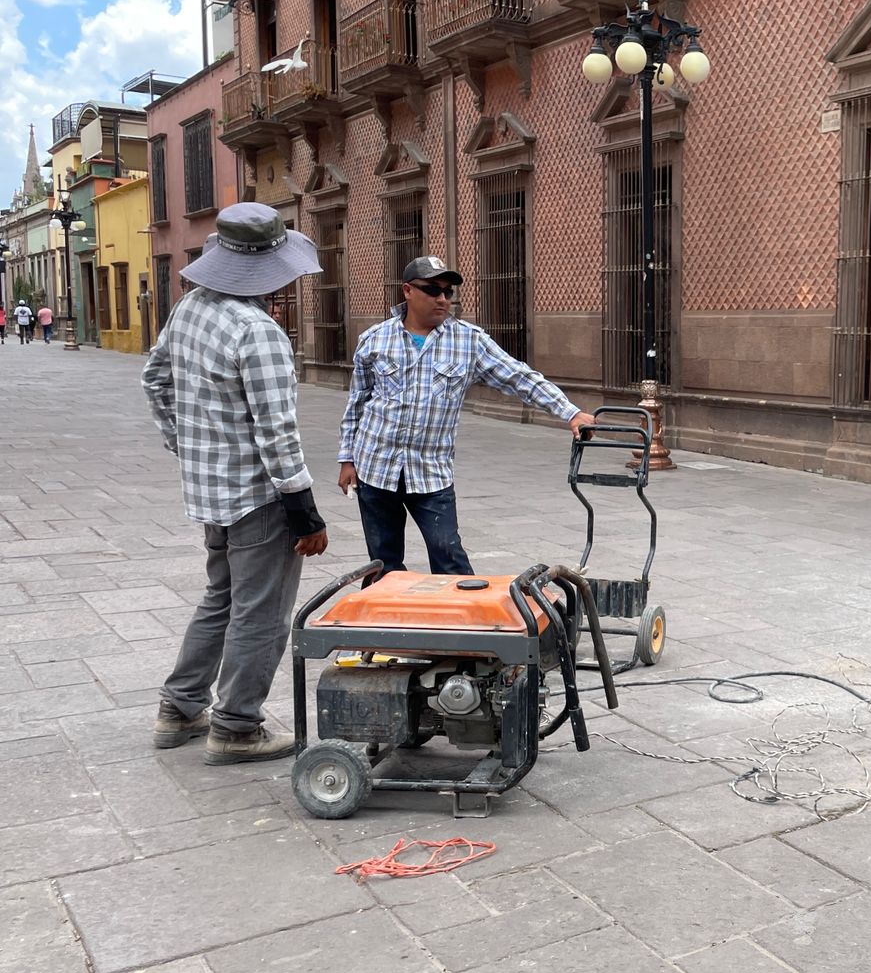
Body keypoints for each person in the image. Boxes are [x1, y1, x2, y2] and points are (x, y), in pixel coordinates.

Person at [141, 202, 329, 764]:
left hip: (210, 493)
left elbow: (154, 378)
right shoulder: (259, 331)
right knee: (262, 612)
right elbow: (277, 432)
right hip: (260, 497)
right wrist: (305, 510)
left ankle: (179, 708)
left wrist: (188, 444)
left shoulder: (191, 308)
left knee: (221, 598)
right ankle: (237, 726)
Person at [337, 254, 594, 576]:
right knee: (382, 563)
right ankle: (385, 624)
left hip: (430, 472)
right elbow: (357, 403)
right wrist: (347, 460)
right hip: (374, 466)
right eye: (432, 290)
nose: (442, 299)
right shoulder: (374, 339)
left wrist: (569, 412)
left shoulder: (469, 341)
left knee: (449, 556)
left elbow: (519, 377)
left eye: (448, 292)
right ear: (407, 291)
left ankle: (462, 622)